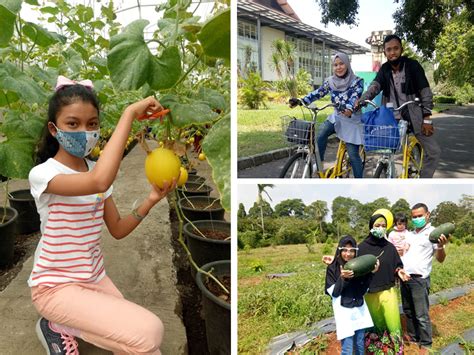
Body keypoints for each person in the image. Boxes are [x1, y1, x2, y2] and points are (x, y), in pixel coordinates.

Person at [29, 76, 176, 355]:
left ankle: (62, 326)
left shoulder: (95, 169)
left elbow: (118, 229)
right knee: (151, 331)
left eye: (92, 124)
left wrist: (151, 200)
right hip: (54, 288)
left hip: (94, 280)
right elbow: (99, 182)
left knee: (146, 348)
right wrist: (129, 113)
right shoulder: (44, 175)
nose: (84, 132)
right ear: (53, 129)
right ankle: (57, 324)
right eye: (73, 124)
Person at [359, 34, 441, 178]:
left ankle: (424, 180)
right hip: (392, 118)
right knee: (384, 149)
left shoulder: (413, 66)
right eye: (389, 50)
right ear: (385, 52)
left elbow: (425, 92)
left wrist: (427, 118)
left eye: (395, 48)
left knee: (434, 152)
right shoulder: (384, 69)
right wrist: (363, 99)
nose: (392, 52)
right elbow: (375, 86)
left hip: (415, 116)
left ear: (401, 49)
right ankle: (388, 169)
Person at [289, 52, 365, 178]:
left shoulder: (357, 81)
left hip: (351, 119)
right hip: (336, 117)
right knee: (321, 135)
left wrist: (350, 108)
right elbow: (318, 93)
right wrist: (301, 101)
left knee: (353, 154)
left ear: (347, 64)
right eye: (335, 65)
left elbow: (355, 97)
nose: (338, 67)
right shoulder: (330, 82)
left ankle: (360, 182)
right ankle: (320, 164)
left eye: (341, 64)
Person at [358, 211, 411, 350]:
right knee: (376, 323)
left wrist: (400, 271)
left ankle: (397, 350)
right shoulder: (361, 248)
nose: (380, 228)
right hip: (370, 293)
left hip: (388, 291)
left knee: (393, 322)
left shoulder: (389, 247)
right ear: (371, 226)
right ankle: (377, 350)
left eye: (383, 225)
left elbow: (397, 264)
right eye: (377, 225)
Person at [400, 203, 448, 351]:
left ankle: (426, 343)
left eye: (420, 216)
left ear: (427, 215)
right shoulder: (409, 234)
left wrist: (440, 247)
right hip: (405, 278)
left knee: (421, 314)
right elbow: (404, 253)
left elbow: (440, 259)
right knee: (408, 311)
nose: (417, 219)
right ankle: (414, 338)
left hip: (420, 280)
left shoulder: (434, 234)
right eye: (414, 217)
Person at [325, 235, 379, 355]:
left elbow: (362, 291)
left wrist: (371, 274)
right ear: (339, 251)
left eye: (351, 251)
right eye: (344, 250)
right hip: (344, 313)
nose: (348, 254)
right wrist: (343, 279)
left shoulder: (359, 267)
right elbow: (334, 293)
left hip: (359, 310)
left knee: (360, 344)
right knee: (347, 348)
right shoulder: (332, 268)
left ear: (355, 252)